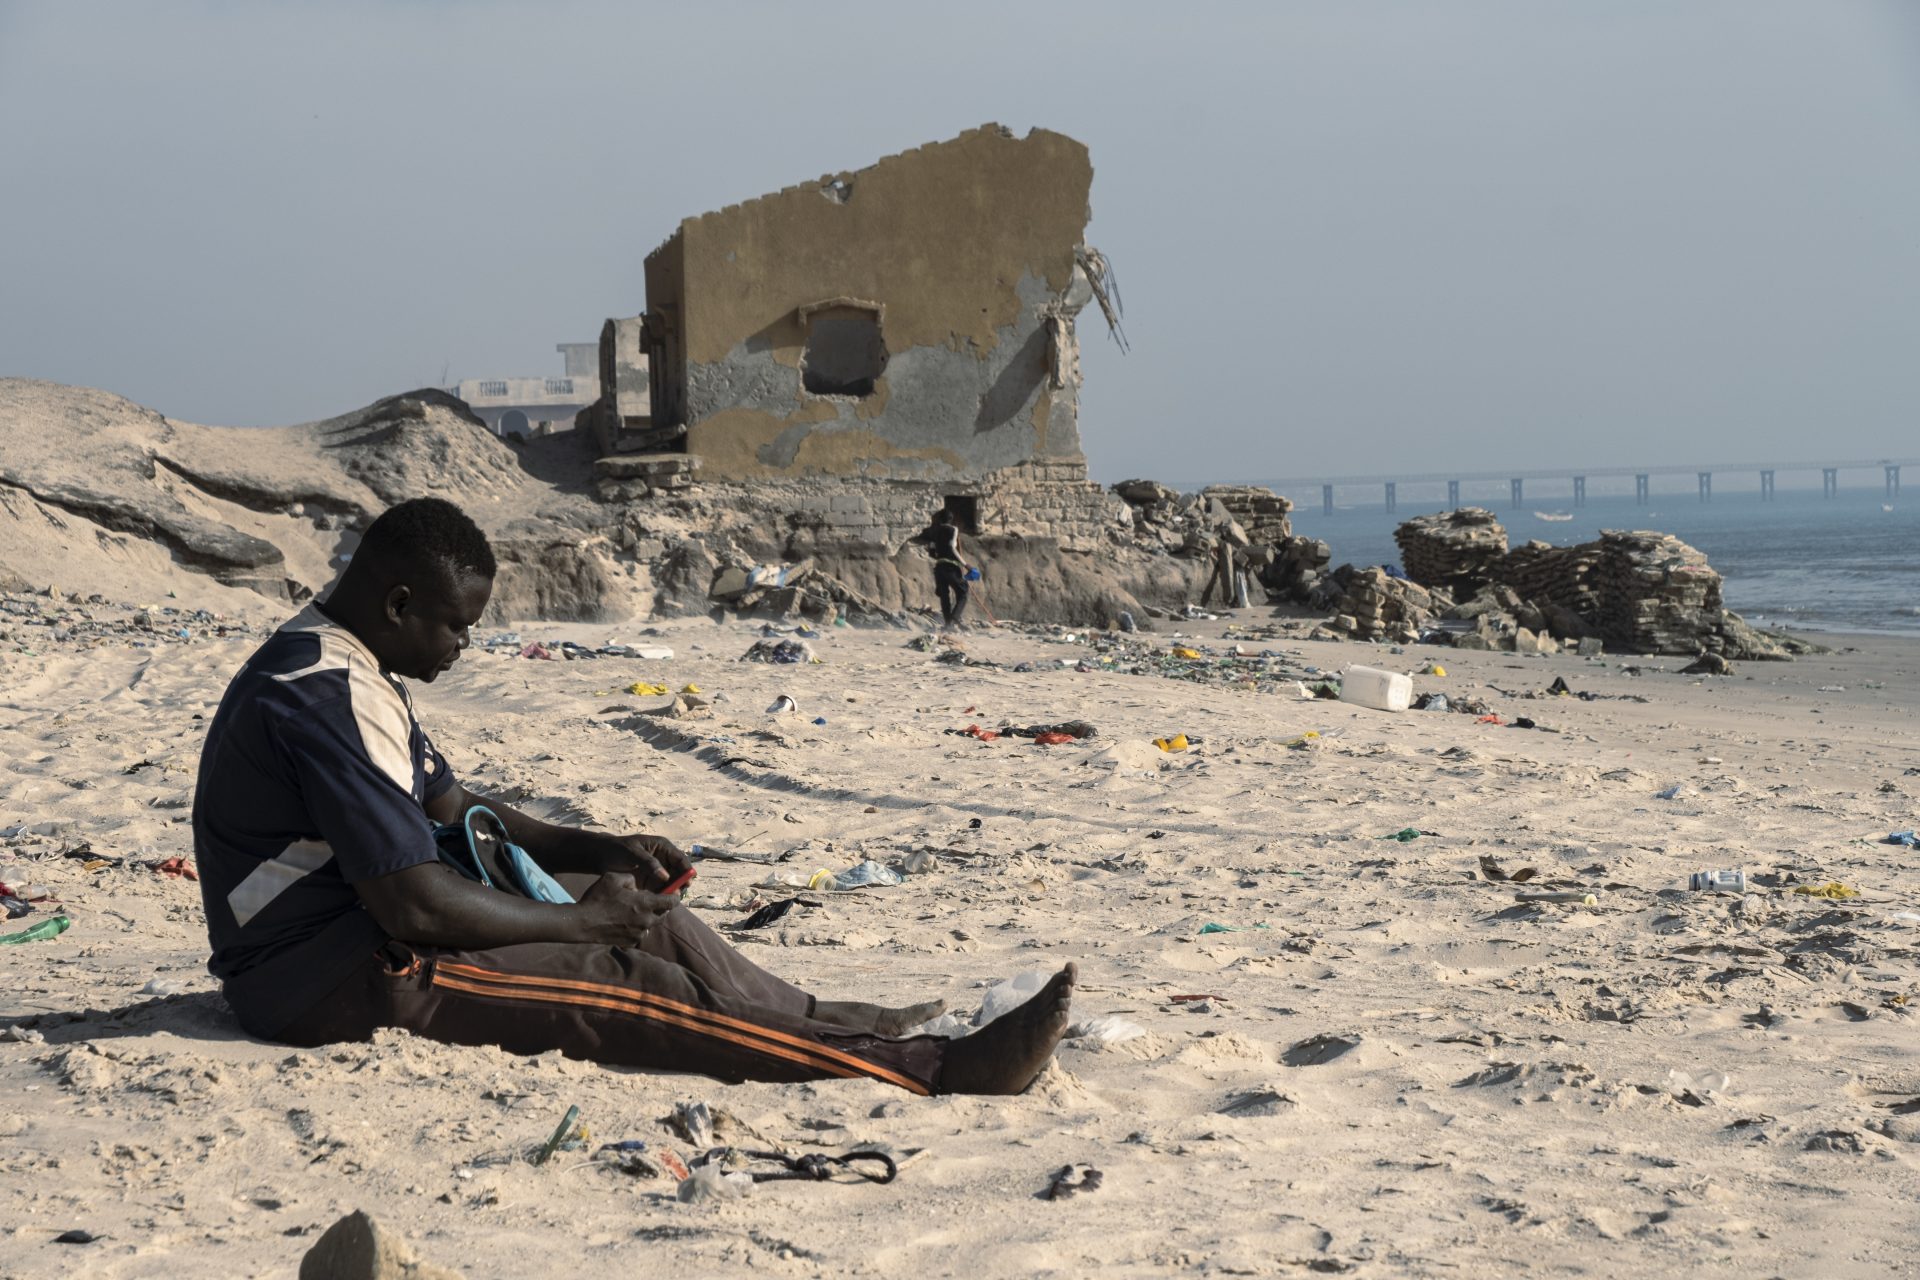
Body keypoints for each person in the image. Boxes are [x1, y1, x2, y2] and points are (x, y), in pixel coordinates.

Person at [192, 498, 1072, 1095]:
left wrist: (599, 851)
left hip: (363, 932)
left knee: (647, 911)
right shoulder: (321, 695)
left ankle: (832, 1022)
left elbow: (460, 812)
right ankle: (927, 1069)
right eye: (456, 624)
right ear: (397, 603)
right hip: (326, 975)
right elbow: (415, 901)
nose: (464, 644)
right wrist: (580, 926)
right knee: (623, 982)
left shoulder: (349, 667)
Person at [909, 509, 971, 631]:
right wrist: (966, 565)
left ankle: (948, 623)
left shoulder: (933, 531)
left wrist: (940, 555)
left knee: (944, 596)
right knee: (963, 593)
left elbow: (932, 551)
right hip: (951, 566)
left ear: (939, 519)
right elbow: (952, 548)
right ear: (951, 519)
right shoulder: (953, 529)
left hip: (939, 568)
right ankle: (952, 622)